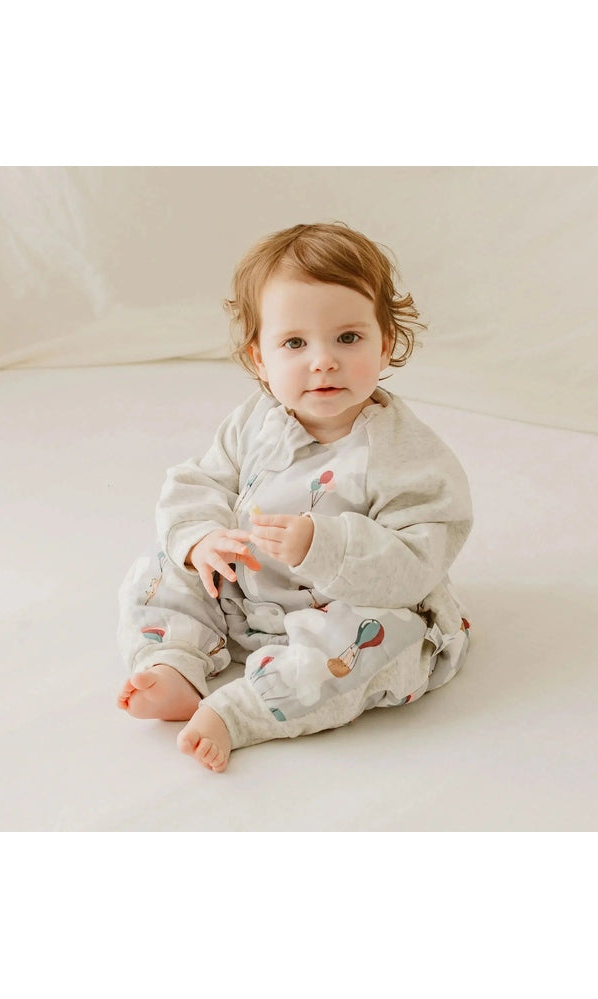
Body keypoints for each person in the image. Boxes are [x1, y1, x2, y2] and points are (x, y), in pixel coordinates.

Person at [117, 221, 473, 772]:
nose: (323, 360)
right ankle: (174, 662)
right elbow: (201, 481)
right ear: (260, 359)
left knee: (383, 640)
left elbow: (418, 560)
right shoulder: (255, 421)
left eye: (348, 338)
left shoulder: (404, 454)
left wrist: (323, 546)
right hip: (244, 591)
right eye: (295, 343)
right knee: (164, 561)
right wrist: (203, 540)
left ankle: (242, 711)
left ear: (386, 343)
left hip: (343, 607)